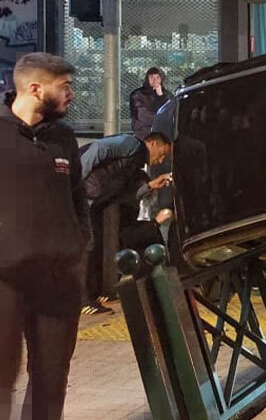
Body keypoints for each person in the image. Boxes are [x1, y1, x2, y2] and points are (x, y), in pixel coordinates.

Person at [0, 52, 86, 420]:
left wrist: (81, 246)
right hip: (4, 280)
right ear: (35, 88)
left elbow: (78, 200)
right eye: (64, 86)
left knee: (51, 380)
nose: (71, 94)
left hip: (58, 279)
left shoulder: (63, 138)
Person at [77, 132, 173, 314]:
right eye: (161, 153)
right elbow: (99, 148)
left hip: (97, 201)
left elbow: (125, 194)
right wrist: (76, 179)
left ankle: (95, 292)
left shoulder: (134, 165)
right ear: (152, 144)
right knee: (87, 246)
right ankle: (83, 299)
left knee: (96, 246)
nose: (160, 160)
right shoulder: (131, 143)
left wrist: (151, 186)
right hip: (86, 196)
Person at [129, 67, 173, 140]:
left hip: (163, 131)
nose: (155, 80)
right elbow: (142, 116)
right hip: (143, 131)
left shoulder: (167, 95)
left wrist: (161, 97)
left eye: (157, 77)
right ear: (147, 79)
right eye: (151, 77)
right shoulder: (137, 94)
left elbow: (169, 113)